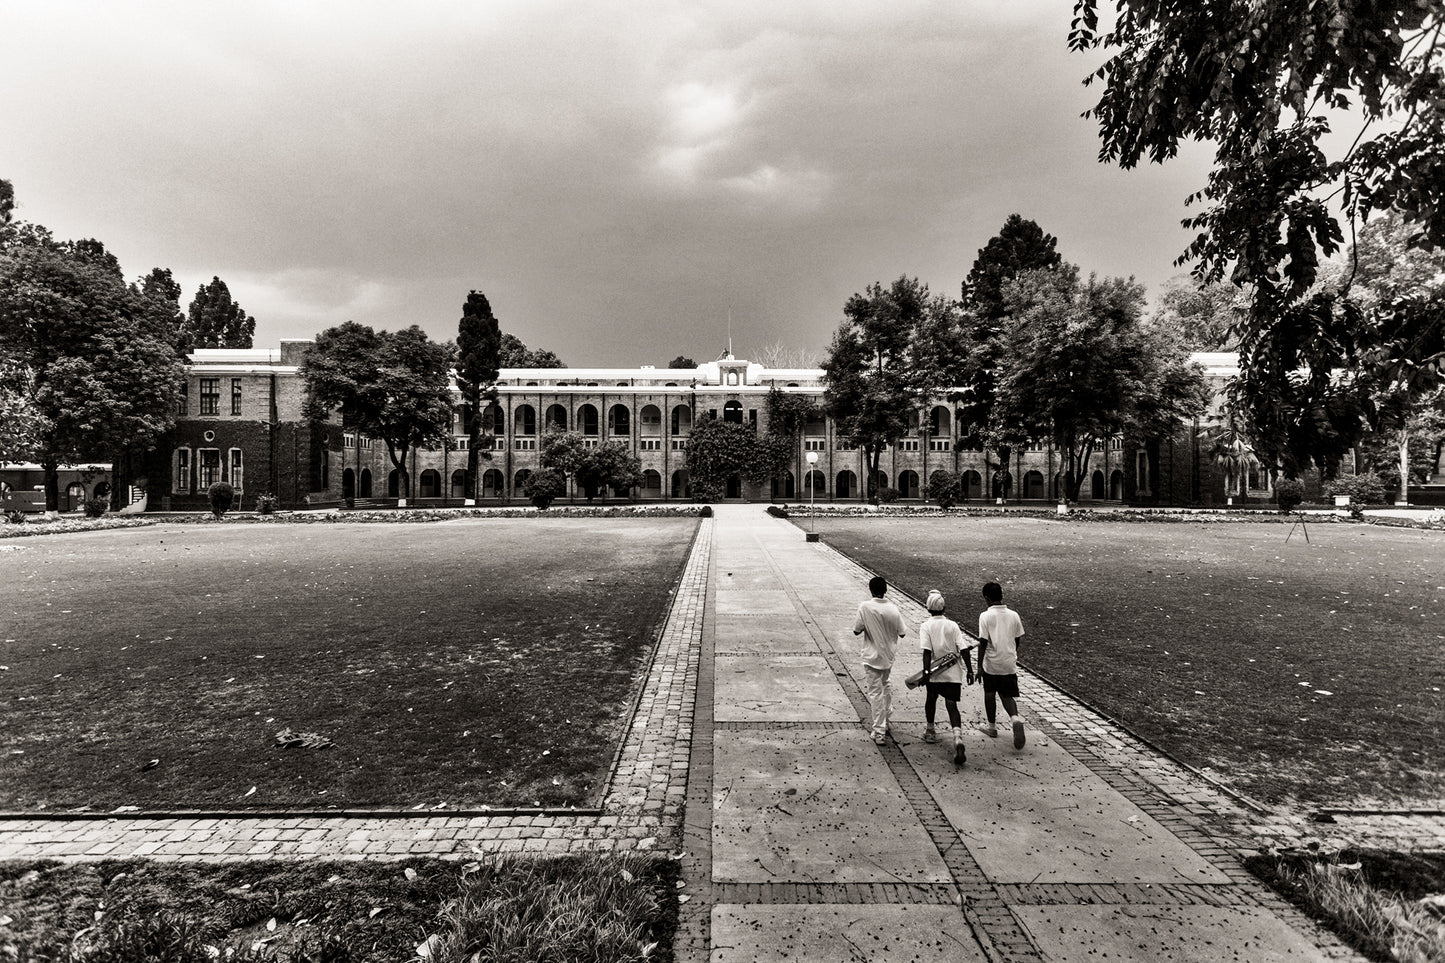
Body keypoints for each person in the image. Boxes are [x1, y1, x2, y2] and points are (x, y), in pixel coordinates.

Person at [918, 590, 973, 765]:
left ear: (928, 609)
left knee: (931, 699)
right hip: (953, 672)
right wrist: (970, 670)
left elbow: (927, 652)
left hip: (935, 671)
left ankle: (930, 730)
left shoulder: (926, 626)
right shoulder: (953, 625)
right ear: (944, 607)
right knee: (952, 706)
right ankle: (957, 738)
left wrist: (926, 673)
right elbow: (963, 649)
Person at [853, 574, 907, 744]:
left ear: (871, 590)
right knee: (885, 685)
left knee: (875, 693)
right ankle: (886, 717)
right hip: (888, 656)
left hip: (872, 656)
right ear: (885, 590)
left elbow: (857, 630)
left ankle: (879, 730)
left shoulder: (865, 607)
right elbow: (902, 632)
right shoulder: (893, 608)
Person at [977, 581, 1027, 749]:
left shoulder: (985, 616)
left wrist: (978, 667)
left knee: (990, 693)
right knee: (1007, 694)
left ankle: (991, 727)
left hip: (992, 663)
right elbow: (1017, 638)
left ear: (986, 598)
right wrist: (1010, 652)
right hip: (1009, 661)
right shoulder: (1014, 615)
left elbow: (983, 642)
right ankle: (1015, 719)